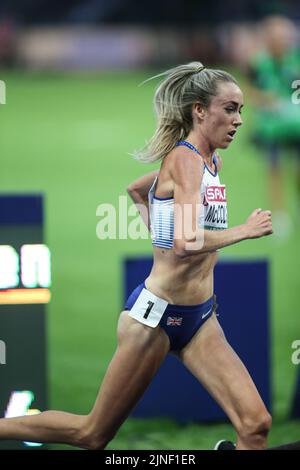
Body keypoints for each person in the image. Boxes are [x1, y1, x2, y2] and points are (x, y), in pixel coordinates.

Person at [0, 62, 273, 450]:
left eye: (241, 111)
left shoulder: (212, 160)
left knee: (256, 424)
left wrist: (159, 233)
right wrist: (244, 231)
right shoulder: (186, 160)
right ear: (199, 110)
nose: (239, 120)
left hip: (200, 319)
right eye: (229, 109)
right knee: (92, 434)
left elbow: (138, 191)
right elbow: (186, 242)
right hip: (156, 317)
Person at [247, 15, 300, 237]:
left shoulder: (295, 61)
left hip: (295, 127)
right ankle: (278, 216)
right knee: (274, 170)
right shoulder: (258, 63)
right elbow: (249, 91)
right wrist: (267, 101)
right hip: (271, 128)